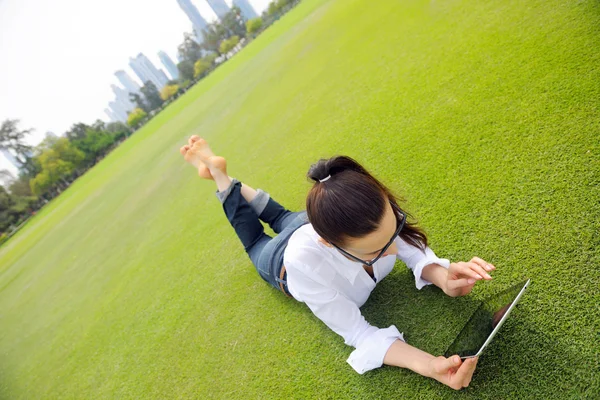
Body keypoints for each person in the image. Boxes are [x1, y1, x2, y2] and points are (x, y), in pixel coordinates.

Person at [180, 135, 496, 390]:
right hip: (282, 263)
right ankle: (221, 177)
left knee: (282, 216)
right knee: (255, 240)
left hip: (316, 222)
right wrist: (429, 365)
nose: (392, 251)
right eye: (378, 249)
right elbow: (358, 332)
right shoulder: (306, 265)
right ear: (330, 243)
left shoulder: (367, 214)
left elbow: (408, 248)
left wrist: (441, 276)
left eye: (393, 233)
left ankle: (222, 172)